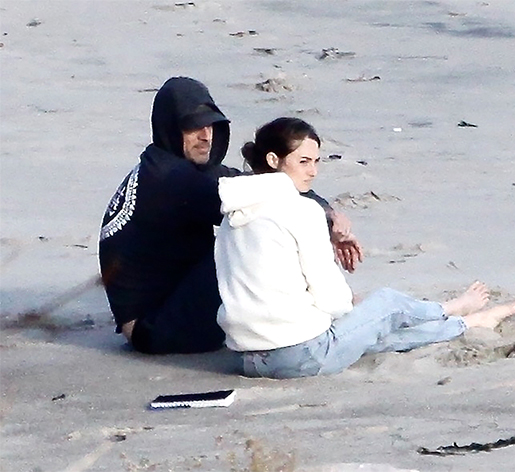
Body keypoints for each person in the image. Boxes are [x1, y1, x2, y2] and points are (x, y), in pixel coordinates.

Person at [214, 117, 515, 378]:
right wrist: (354, 305)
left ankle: (470, 322)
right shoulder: (301, 210)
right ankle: (450, 309)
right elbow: (333, 300)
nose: (313, 171)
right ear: (274, 160)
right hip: (300, 356)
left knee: (374, 332)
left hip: (247, 359)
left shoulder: (232, 215)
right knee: (387, 303)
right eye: (304, 161)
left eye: (317, 162)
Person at [99, 77, 359, 354]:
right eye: (193, 126)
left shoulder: (171, 164)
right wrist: (323, 220)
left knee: (256, 220)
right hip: (152, 328)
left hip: (165, 305)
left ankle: (304, 311)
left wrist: (328, 214)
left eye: (210, 125)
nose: (206, 135)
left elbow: (255, 183)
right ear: (170, 127)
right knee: (257, 228)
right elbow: (268, 196)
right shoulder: (169, 179)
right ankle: (306, 318)